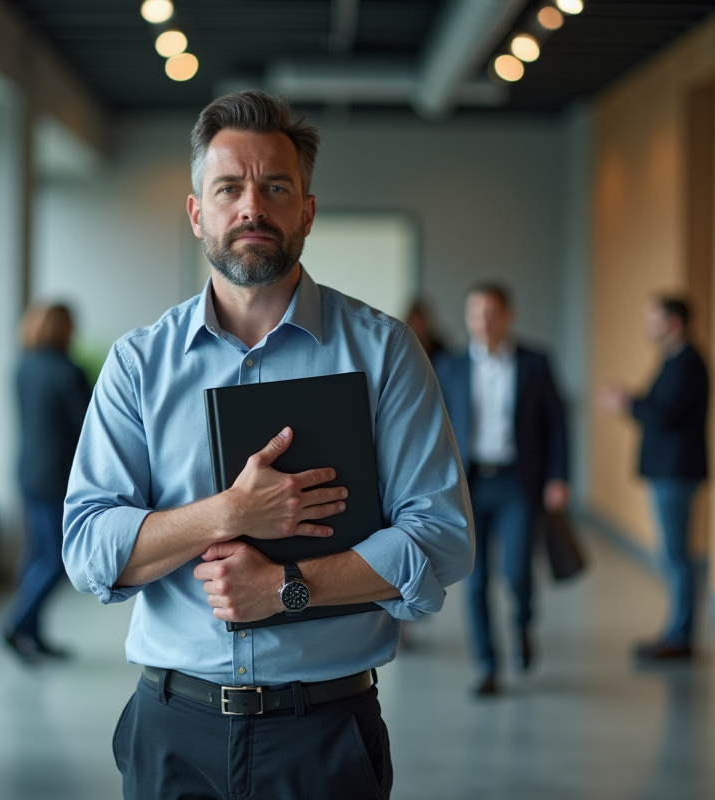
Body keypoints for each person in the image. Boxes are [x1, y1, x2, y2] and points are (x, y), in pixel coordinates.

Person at [63, 91, 473, 800]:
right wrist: (227, 514)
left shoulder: (383, 354)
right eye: (228, 188)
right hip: (172, 734)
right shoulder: (138, 365)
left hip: (324, 735)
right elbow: (88, 548)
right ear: (198, 214)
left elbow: (441, 539)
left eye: (275, 187)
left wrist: (287, 590)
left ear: (306, 211)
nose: (252, 206)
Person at [437, 283, 569, 696]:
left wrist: (558, 477)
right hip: (470, 484)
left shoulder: (535, 362)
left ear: (509, 315)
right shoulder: (451, 366)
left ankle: (524, 623)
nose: (483, 322)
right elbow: (434, 429)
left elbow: (558, 426)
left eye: (492, 312)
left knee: (517, 573)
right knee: (475, 581)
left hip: (517, 482)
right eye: (475, 313)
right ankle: (488, 667)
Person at [598, 296, 709, 661]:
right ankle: (677, 632)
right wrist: (631, 401)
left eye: (654, 319)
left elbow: (665, 414)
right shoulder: (675, 361)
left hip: (676, 473)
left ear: (674, 323)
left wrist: (626, 404)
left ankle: (679, 637)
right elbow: (661, 405)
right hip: (670, 472)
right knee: (673, 554)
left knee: (675, 555)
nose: (648, 326)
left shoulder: (688, 363)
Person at [0, 303, 90, 662]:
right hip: (57, 478)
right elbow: (88, 428)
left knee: (35, 554)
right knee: (56, 561)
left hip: (27, 472)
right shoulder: (69, 372)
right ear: (62, 329)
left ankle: (32, 636)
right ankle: (14, 625)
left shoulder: (23, 367)